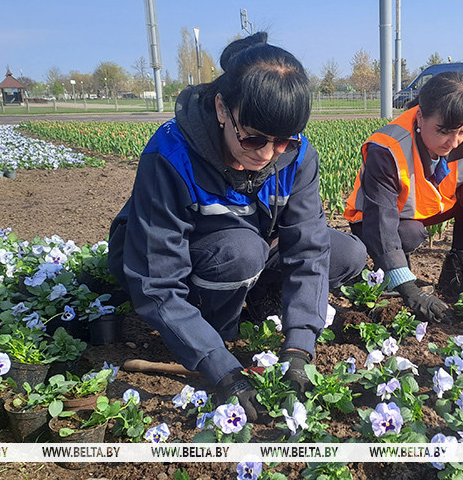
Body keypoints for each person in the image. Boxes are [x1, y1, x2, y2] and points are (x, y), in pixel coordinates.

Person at [108, 32, 366, 421]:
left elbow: (309, 249)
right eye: (254, 139)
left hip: (251, 244)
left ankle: (254, 302)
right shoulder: (170, 155)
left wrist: (298, 349)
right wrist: (222, 370)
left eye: (282, 141)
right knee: (241, 253)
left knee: (347, 253)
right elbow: (156, 282)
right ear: (222, 109)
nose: (267, 154)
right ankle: (216, 330)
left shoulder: (297, 155)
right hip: (182, 259)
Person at [344, 71, 463, 322]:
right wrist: (408, 288)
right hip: (376, 218)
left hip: (432, 205)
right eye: (444, 131)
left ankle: (456, 267)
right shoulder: (387, 148)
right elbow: (380, 223)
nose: (453, 142)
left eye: (461, 131)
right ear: (419, 116)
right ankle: (390, 277)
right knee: (409, 233)